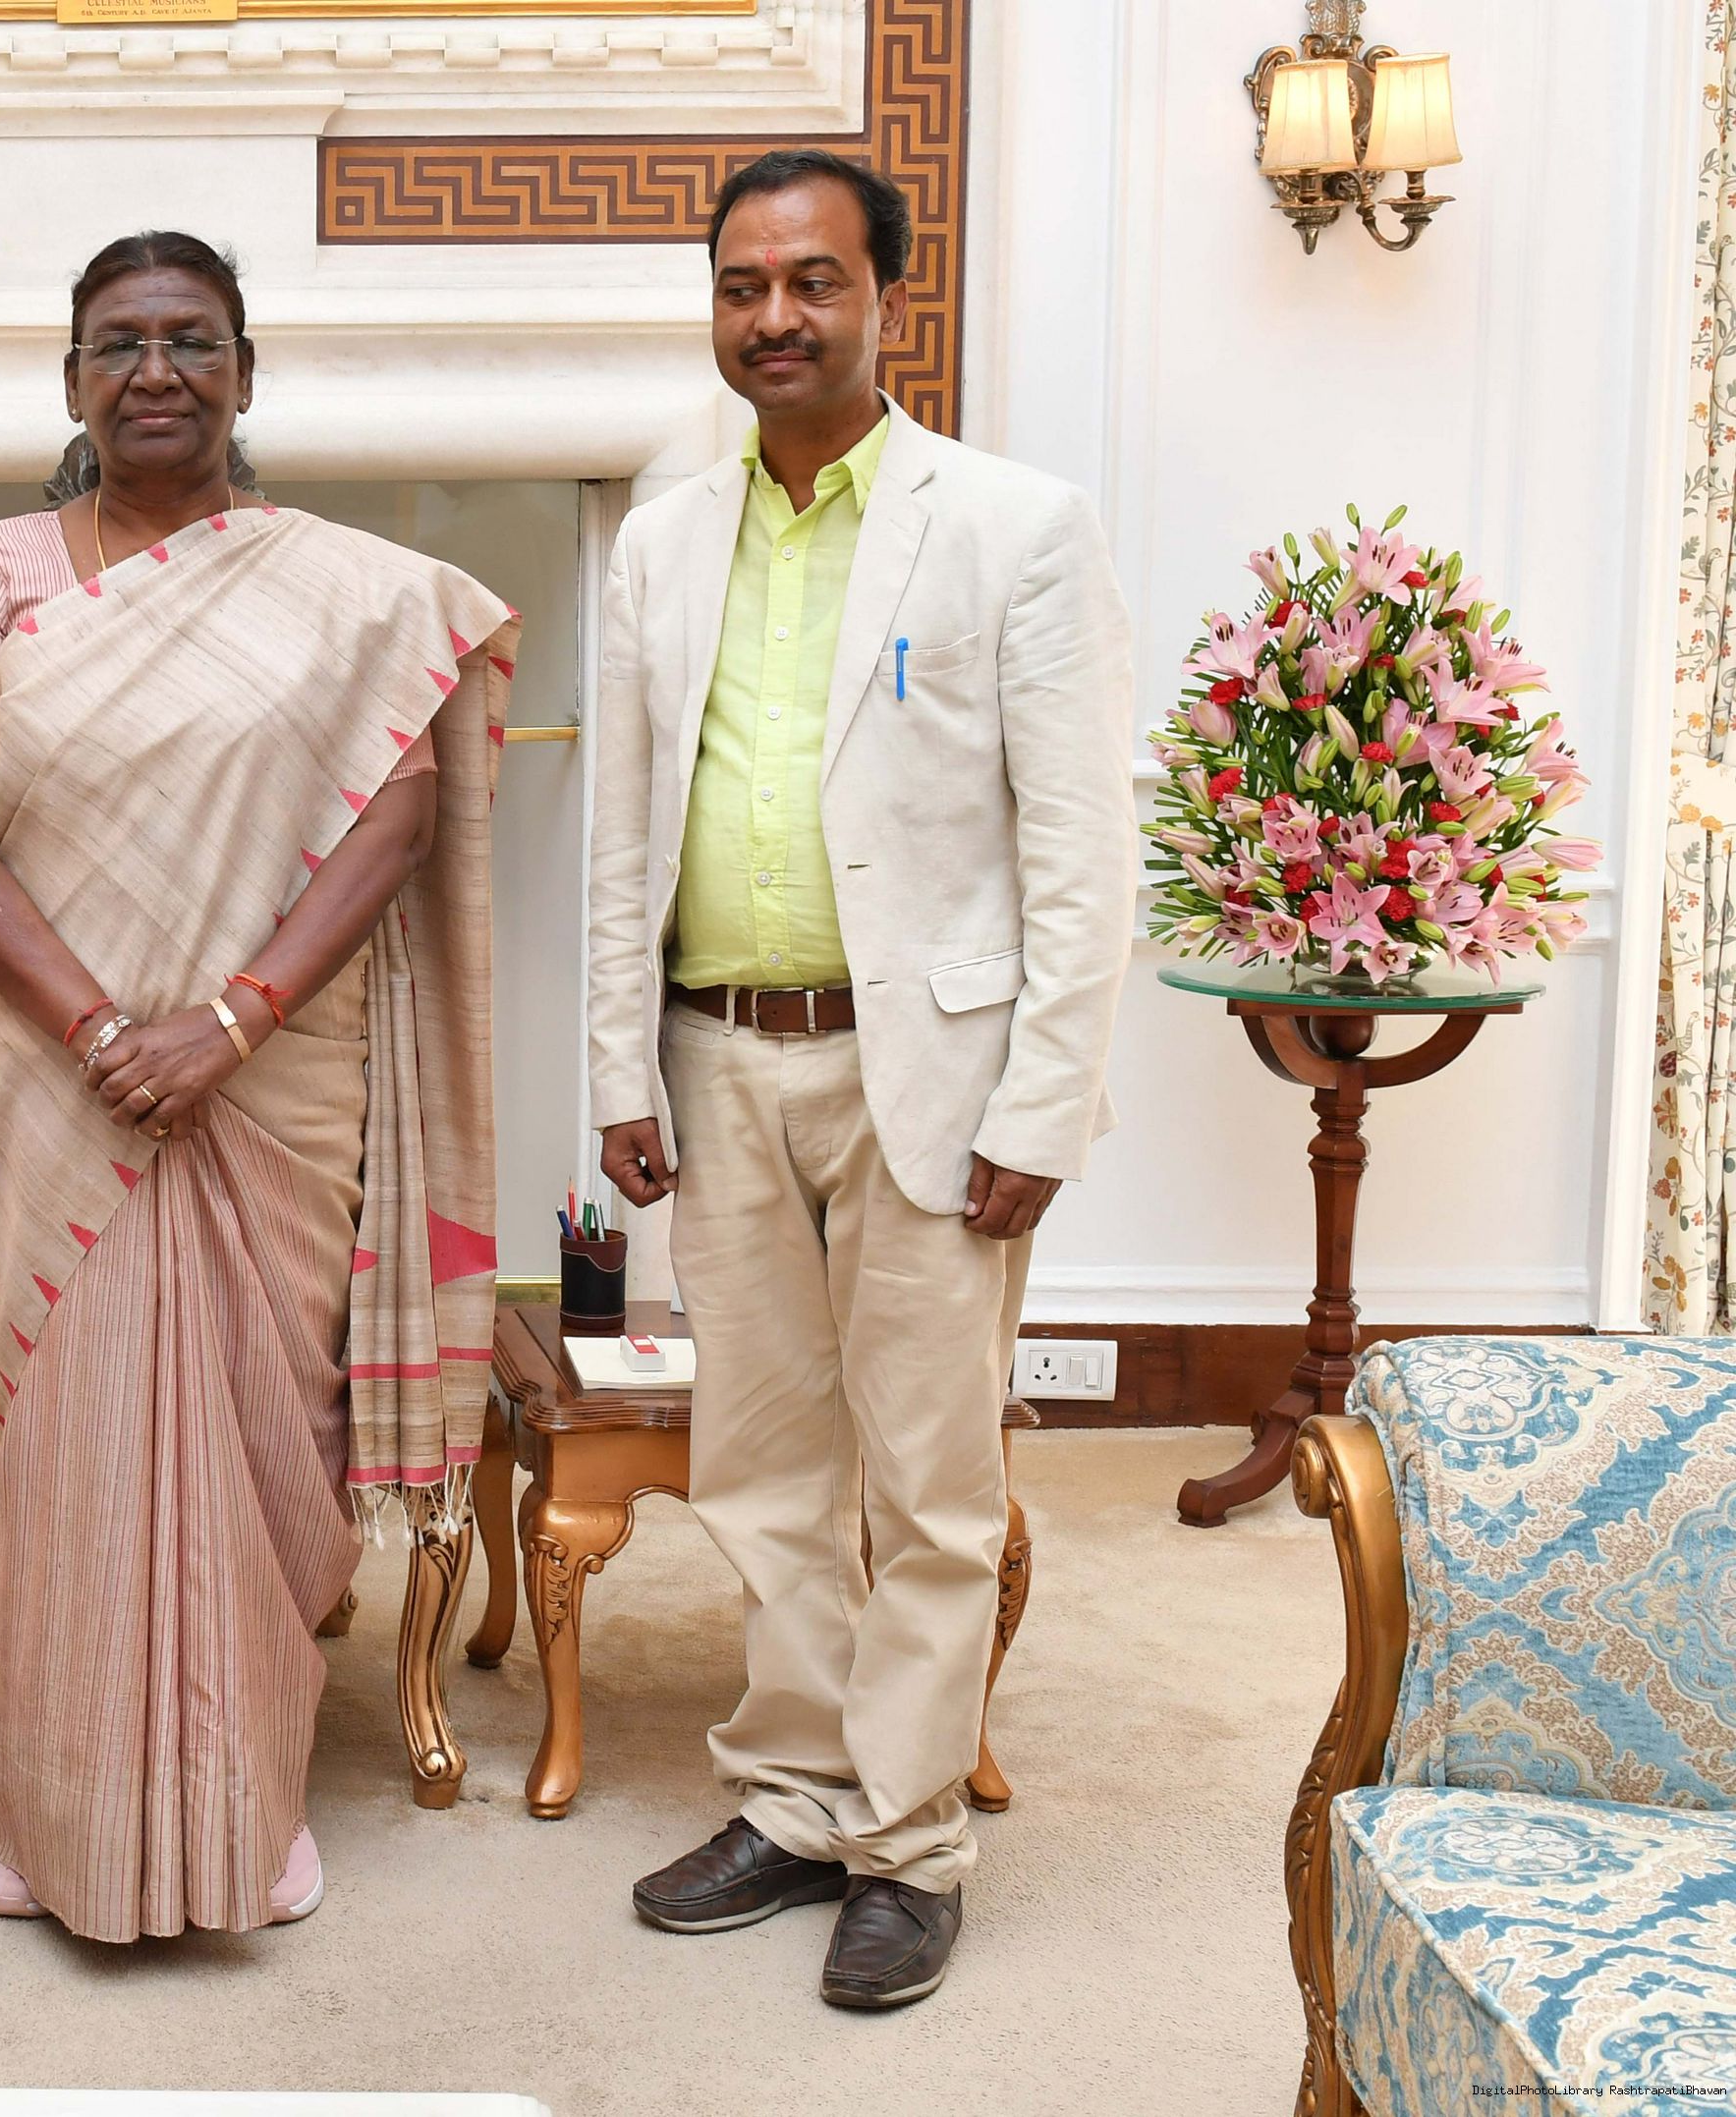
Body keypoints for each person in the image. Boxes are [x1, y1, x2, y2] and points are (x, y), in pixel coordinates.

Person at [0, 231, 514, 1941]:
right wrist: (107, 1032)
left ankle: (246, 1803)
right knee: (80, 1449)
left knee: (260, 1440)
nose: (154, 370)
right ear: (71, 382)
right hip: (60, 1085)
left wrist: (226, 1025)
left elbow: (395, 815)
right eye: (118, 344)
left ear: (247, 371)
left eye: (190, 339)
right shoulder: (9, 567)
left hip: (271, 1081)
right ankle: (52, 1811)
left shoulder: (348, 590)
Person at [584, 149, 1132, 2009]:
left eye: (812, 281)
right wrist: (622, 1066)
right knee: (759, 1469)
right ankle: (799, 1799)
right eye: (742, 286)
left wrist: (1039, 1106)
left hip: (938, 1079)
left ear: (888, 297)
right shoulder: (660, 540)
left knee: (930, 1481)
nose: (775, 317)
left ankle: (909, 1842)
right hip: (719, 1051)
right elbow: (624, 830)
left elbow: (1081, 851)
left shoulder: (1013, 526)